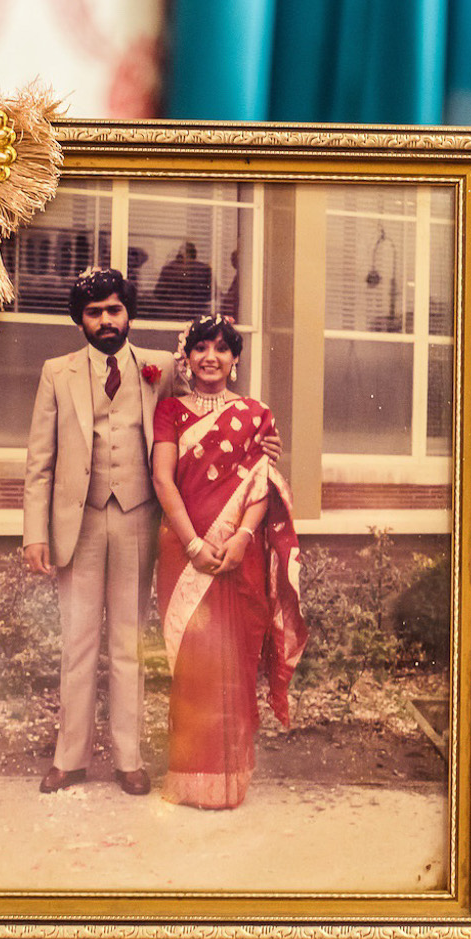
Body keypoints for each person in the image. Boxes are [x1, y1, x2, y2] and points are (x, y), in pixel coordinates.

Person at [23, 268, 177, 796]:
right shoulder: (56, 373)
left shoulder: (163, 367)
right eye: (94, 312)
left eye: (114, 309)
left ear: (128, 312)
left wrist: (258, 442)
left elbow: (204, 414)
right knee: (78, 642)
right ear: (80, 321)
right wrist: (34, 534)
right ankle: (70, 759)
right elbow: (39, 462)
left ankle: (129, 758)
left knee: (130, 642)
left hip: (138, 515)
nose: (106, 320)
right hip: (79, 521)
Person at [151, 315, 305, 809]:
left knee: (233, 661)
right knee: (193, 664)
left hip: (239, 553)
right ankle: (190, 780)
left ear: (235, 359)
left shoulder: (257, 414)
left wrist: (241, 537)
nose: (210, 357)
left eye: (221, 348)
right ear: (187, 356)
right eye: (200, 348)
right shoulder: (170, 411)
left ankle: (228, 781)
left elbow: (261, 483)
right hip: (185, 548)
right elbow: (162, 479)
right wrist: (194, 542)